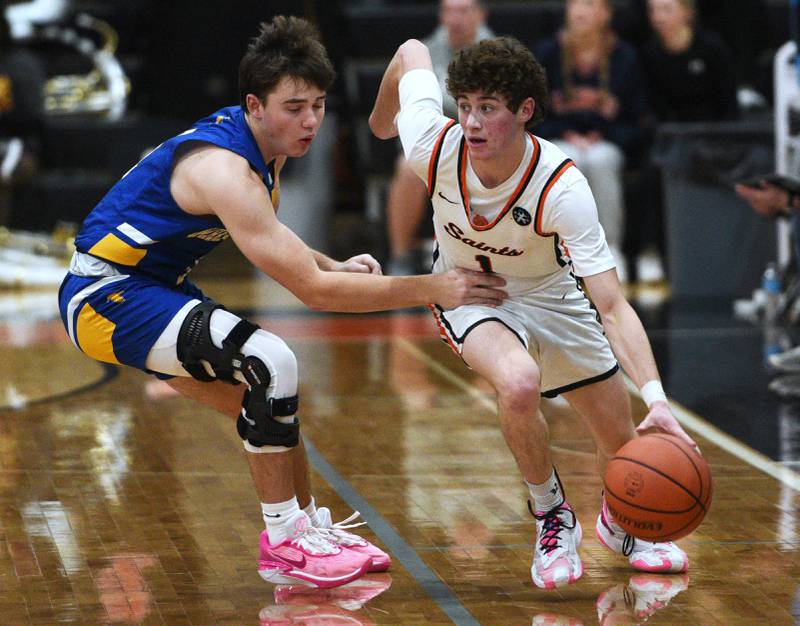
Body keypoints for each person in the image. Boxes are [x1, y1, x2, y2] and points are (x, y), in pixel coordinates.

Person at [57, 15, 507, 590]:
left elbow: (279, 242)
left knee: (270, 402)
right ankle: (284, 543)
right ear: (254, 104)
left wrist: (331, 261)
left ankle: (308, 528)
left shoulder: (258, 147)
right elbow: (312, 294)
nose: (310, 120)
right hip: (103, 295)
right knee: (273, 361)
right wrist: (432, 288)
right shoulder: (225, 169)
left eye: (318, 104)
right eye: (294, 106)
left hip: (147, 288)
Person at [369, 35, 697, 589]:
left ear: (524, 111)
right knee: (518, 382)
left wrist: (657, 399)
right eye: (466, 106)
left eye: (488, 109)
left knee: (621, 447)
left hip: (553, 296)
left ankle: (623, 522)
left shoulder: (563, 186)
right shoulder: (432, 142)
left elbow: (612, 305)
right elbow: (407, 50)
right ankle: (552, 515)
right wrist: (384, 120)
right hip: (470, 295)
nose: (471, 122)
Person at [533, 0, 650, 283]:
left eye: (590, 4)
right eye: (575, 4)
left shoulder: (625, 57)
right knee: (568, 160)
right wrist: (565, 132)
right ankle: (562, 252)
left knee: (599, 160)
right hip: (560, 139)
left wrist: (604, 134)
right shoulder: (548, 53)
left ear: (606, 13)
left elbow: (638, 120)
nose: (581, 11)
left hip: (608, 142)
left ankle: (610, 251)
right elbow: (533, 112)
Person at [385, 0, 492, 276]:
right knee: (407, 166)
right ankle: (400, 257)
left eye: (464, 10)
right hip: (438, 139)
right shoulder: (422, 51)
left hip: (486, 142)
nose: (455, 18)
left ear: (481, 14)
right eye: (449, 10)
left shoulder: (497, 52)